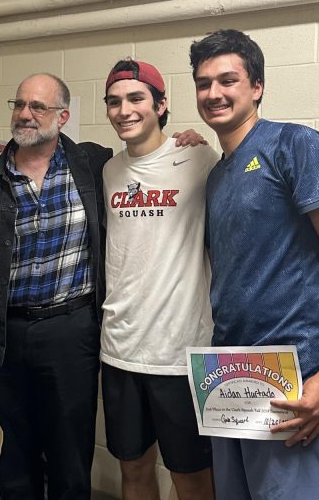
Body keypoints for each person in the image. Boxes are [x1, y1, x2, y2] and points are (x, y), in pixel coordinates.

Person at [0, 72, 205, 500]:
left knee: (70, 460)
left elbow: (146, 154)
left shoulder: (92, 164)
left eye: (39, 107)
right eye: (19, 104)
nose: (26, 115)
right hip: (2, 338)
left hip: (72, 332)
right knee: (13, 461)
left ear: (63, 116)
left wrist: (184, 139)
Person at [189, 29, 319, 499]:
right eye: (203, 83)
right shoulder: (216, 176)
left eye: (228, 80)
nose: (214, 93)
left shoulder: (296, 145)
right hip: (233, 379)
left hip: (298, 381)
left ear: (257, 87)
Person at [100, 59, 218, 500]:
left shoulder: (199, 158)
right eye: (114, 101)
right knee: (133, 469)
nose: (124, 110)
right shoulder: (109, 171)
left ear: (161, 104)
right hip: (120, 350)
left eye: (136, 98)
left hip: (180, 354)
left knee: (192, 478)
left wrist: (198, 137)